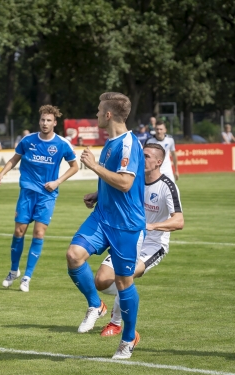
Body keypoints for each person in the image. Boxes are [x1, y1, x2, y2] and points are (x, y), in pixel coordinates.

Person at [65, 92, 145, 359]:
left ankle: (128, 338)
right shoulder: (111, 142)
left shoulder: (128, 145)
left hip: (125, 224)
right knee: (74, 255)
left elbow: (125, 183)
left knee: (124, 282)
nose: (97, 114)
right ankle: (95, 305)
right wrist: (98, 194)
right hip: (102, 216)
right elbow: (114, 183)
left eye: (99, 110)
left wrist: (95, 166)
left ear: (109, 115)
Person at [95, 143, 184, 337]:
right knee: (101, 281)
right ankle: (128, 296)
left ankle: (117, 324)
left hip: (153, 245)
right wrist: (96, 196)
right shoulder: (135, 179)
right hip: (129, 239)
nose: (142, 159)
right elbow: (119, 191)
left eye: (147, 156)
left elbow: (179, 221)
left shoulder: (167, 185)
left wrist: (152, 226)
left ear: (158, 162)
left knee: (123, 277)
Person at [0, 105, 79, 292]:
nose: (45, 123)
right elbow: (14, 159)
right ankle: (13, 270)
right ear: (39, 121)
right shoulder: (28, 140)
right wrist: (2, 174)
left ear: (55, 123)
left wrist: (57, 181)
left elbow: (75, 166)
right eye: (42, 120)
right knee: (19, 232)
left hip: (47, 195)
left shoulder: (62, 144)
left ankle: (27, 277)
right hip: (27, 193)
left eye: (49, 120)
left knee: (39, 234)